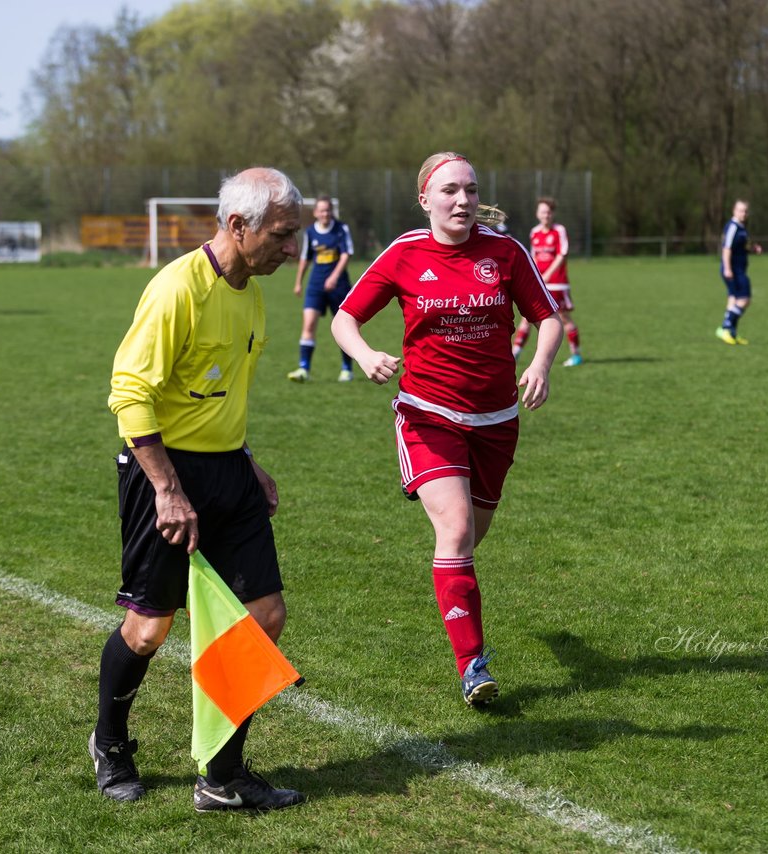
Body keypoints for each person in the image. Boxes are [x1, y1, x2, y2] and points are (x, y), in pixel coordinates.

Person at [94, 167, 306, 812]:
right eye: (281, 234)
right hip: (162, 470)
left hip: (228, 473)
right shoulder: (176, 289)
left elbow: (217, 393)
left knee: (263, 616)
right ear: (237, 226)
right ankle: (110, 744)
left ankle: (222, 774)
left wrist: (246, 459)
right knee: (149, 628)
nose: (291, 249)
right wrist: (167, 488)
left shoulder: (251, 290)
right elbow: (129, 395)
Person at [331, 152, 562, 708]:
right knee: (456, 531)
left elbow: (548, 316)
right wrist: (363, 355)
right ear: (425, 199)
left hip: (497, 421)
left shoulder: (505, 252)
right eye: (451, 191)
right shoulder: (405, 254)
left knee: (467, 540)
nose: (463, 200)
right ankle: (473, 666)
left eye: (472, 190)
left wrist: (539, 364)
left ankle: (450, 587)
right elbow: (345, 318)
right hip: (428, 415)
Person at [288, 196, 357, 382]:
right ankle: (304, 369)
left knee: (343, 328)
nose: (325, 213)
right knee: (308, 324)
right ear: (315, 213)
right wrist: (298, 282)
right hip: (316, 285)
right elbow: (305, 258)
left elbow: (346, 254)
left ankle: (346, 369)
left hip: (339, 286)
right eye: (322, 210)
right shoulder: (310, 232)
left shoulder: (341, 229)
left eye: (328, 210)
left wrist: (334, 277)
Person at [513, 197, 582, 366]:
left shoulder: (559, 230)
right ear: (538, 214)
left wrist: (548, 274)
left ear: (553, 214)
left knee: (563, 318)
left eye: (549, 212)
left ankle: (576, 355)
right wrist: (533, 277)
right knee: (527, 318)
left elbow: (562, 254)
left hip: (557, 283)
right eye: (543, 212)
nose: (546, 215)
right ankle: (515, 353)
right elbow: (534, 257)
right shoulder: (534, 232)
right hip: (540, 283)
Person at [716, 199, 762, 345]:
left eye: (746, 211)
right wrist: (728, 268)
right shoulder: (733, 227)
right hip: (734, 270)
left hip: (738, 269)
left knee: (733, 299)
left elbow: (742, 246)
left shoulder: (741, 228)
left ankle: (731, 334)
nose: (744, 213)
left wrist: (753, 248)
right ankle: (725, 327)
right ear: (734, 211)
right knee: (745, 299)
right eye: (741, 210)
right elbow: (726, 248)